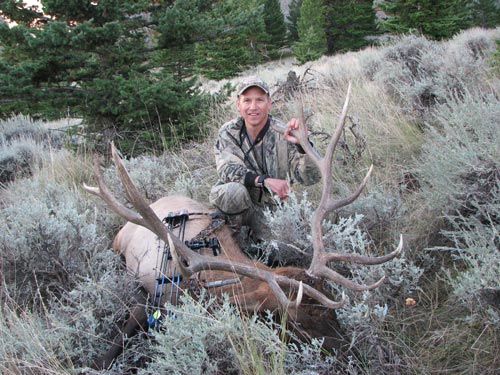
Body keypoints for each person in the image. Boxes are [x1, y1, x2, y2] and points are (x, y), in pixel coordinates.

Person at [209, 76, 320, 240]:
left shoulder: (285, 133)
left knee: (282, 249)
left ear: (269, 103)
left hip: (270, 210)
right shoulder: (229, 132)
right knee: (233, 192)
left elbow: (310, 178)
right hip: (237, 205)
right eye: (247, 100)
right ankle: (230, 241)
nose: (253, 107)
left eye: (259, 100)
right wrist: (265, 181)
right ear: (238, 105)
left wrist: (303, 146)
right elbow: (228, 170)